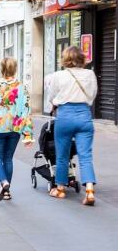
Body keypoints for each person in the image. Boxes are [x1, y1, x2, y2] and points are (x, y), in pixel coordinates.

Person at [47, 46, 98, 206]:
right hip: (84, 115)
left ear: (65, 58)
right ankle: (89, 189)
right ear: (81, 58)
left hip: (65, 116)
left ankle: (60, 188)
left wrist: (55, 104)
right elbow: (93, 93)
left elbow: (51, 96)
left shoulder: (59, 75)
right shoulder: (90, 74)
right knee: (86, 155)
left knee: (62, 155)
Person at [0, 57, 33, 201]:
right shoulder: (21, 87)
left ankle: (4, 182)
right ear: (15, 69)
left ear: (1, 69)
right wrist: (27, 133)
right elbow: (26, 110)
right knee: (8, 158)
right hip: (14, 127)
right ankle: (7, 192)